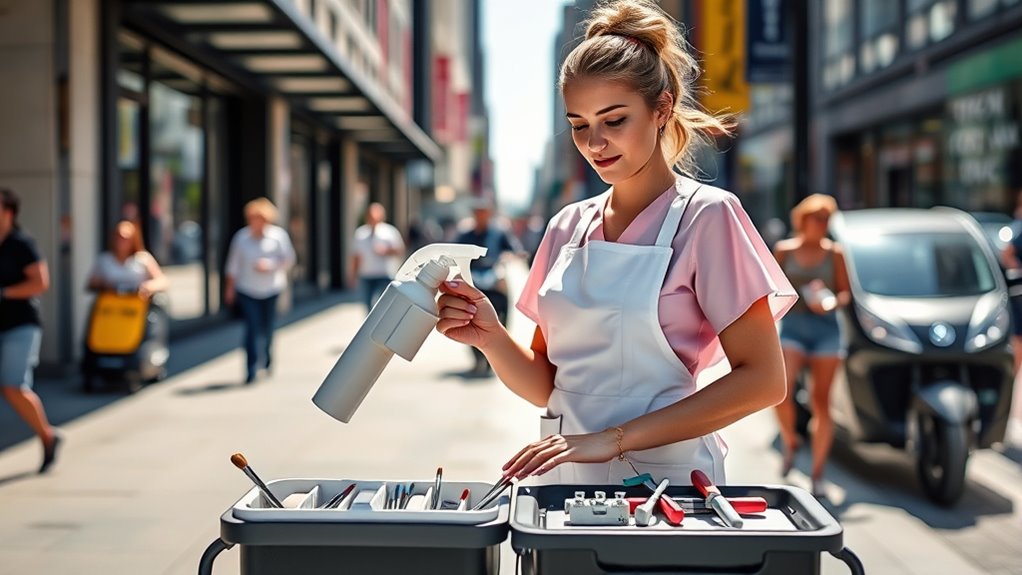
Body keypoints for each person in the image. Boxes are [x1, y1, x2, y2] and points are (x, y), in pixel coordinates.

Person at [435, 0, 796, 486]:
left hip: (668, 488)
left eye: (614, 120)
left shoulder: (707, 217)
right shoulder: (567, 226)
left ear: (661, 108)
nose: (595, 143)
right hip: (561, 480)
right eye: (579, 125)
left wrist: (614, 438)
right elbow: (548, 384)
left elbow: (764, 381)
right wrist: (492, 338)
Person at [772, 193, 851, 497]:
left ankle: (818, 474)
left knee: (821, 402)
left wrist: (830, 303)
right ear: (802, 220)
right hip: (793, 326)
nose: (821, 224)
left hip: (825, 329)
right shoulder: (784, 250)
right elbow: (770, 286)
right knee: (782, 391)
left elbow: (845, 294)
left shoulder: (835, 253)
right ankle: (790, 439)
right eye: (816, 218)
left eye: (826, 219)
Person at [0, 188, 61, 473]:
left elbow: (40, 282)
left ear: (9, 212)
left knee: (13, 386)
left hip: (20, 325)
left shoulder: (21, 244)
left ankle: (47, 436)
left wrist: (6, 292)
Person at [225, 198, 295, 384]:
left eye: (260, 219)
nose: (256, 223)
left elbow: (289, 259)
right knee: (251, 328)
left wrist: (270, 265)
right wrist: (229, 289)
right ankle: (251, 368)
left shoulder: (278, 236)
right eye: (253, 219)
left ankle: (267, 357)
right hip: (247, 289)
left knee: (268, 328)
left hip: (271, 288)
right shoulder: (241, 238)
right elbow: (233, 265)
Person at [455, 199, 523, 376]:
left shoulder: (499, 232)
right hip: (474, 281)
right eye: (477, 212)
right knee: (467, 319)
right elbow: (454, 252)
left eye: (484, 211)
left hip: (494, 278)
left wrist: (507, 257)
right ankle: (478, 359)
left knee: (502, 315)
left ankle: (495, 358)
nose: (480, 215)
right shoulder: (466, 235)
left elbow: (514, 249)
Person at [87, 220, 168, 297]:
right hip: (110, 305)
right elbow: (91, 284)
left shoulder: (143, 258)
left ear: (134, 239)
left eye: (126, 238)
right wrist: (104, 285)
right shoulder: (105, 260)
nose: (122, 242)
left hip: (138, 304)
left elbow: (162, 281)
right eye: (119, 237)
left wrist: (148, 287)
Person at [351, 202, 405, 313]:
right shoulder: (360, 233)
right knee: (368, 305)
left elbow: (400, 250)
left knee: (383, 305)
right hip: (366, 275)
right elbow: (356, 256)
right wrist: (352, 275)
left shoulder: (390, 232)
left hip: (384, 275)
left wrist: (386, 250)